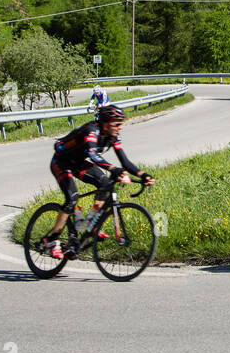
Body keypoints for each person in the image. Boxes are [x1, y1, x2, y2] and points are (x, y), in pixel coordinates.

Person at [39, 103, 153, 260]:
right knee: (72, 198)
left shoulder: (112, 136)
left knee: (105, 184)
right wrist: (114, 169)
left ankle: (90, 224)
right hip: (61, 162)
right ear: (106, 124)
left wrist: (143, 175)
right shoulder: (91, 131)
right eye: (117, 124)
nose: (120, 127)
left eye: (121, 124)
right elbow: (93, 156)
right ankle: (51, 240)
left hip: (78, 162)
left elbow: (125, 162)